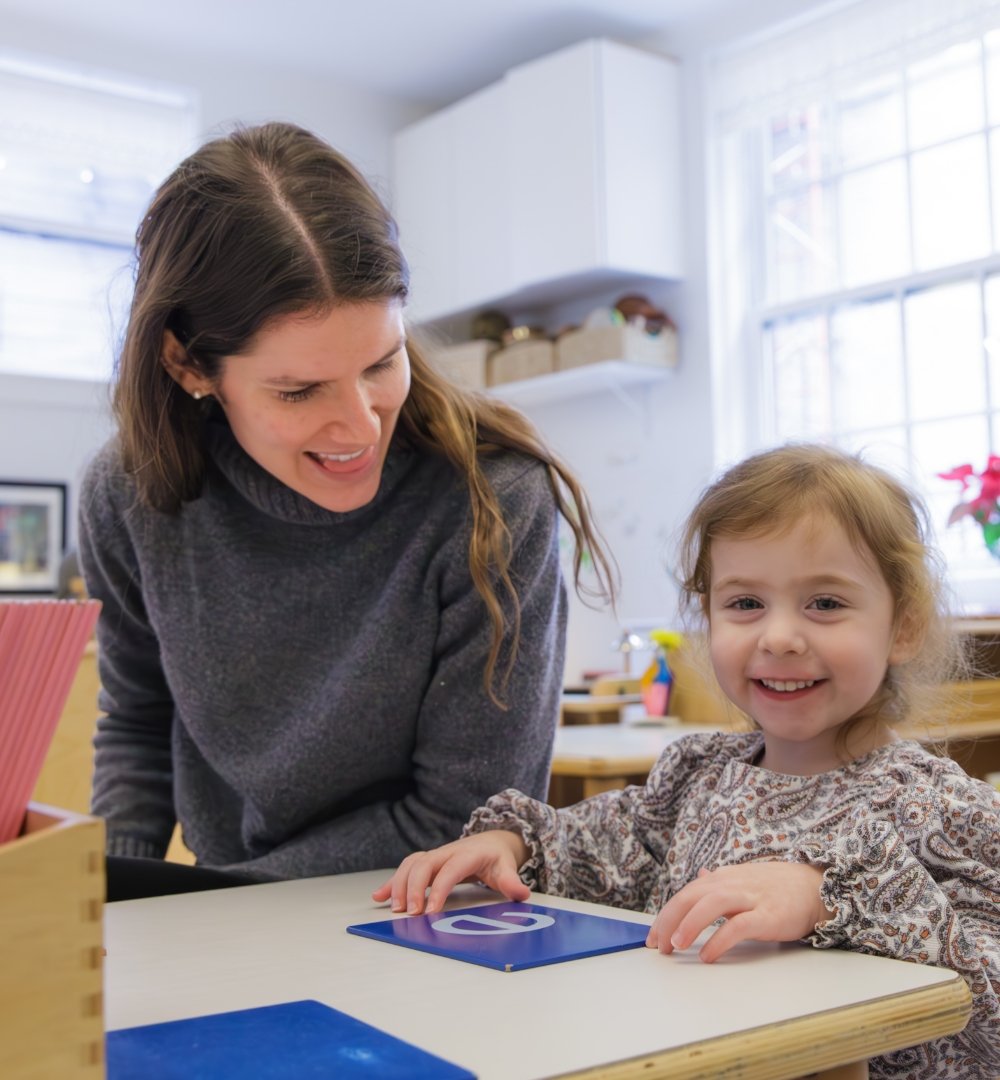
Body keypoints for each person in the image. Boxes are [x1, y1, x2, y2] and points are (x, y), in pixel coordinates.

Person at [77, 121, 614, 896]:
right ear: (188, 365)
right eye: (299, 392)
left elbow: (464, 813)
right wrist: (109, 897)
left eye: (381, 363)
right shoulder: (129, 491)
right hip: (221, 908)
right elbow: (136, 722)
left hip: (420, 910)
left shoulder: (494, 499)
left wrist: (220, 901)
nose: (362, 426)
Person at [377, 443, 1000, 1080]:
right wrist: (511, 843)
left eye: (826, 603)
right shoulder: (697, 776)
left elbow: (990, 1002)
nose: (778, 636)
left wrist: (831, 898)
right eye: (745, 603)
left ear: (904, 626)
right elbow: (606, 847)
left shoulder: (940, 810)